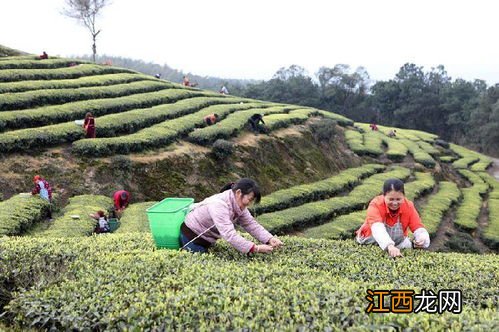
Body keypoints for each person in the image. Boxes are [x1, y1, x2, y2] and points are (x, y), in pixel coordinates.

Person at [180, 178, 284, 253]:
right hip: (192, 237)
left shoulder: (238, 205)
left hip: (207, 239)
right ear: (239, 193)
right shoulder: (219, 205)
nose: (249, 203)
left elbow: (251, 224)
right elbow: (229, 234)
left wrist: (269, 239)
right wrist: (255, 248)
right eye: (250, 199)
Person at [355, 178, 430, 257]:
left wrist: (422, 239)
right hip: (371, 241)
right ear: (384, 196)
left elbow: (417, 226)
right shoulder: (376, 204)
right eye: (391, 199)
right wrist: (389, 245)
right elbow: (377, 228)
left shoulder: (408, 206)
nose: (394, 203)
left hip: (398, 242)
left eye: (398, 199)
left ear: (403, 196)